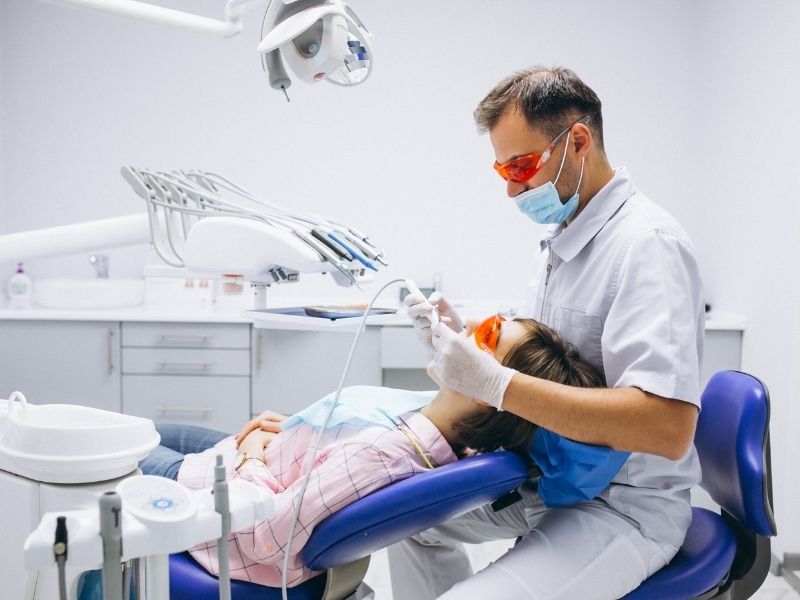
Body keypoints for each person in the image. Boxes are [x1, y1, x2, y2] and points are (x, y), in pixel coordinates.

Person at [394, 66, 705, 599]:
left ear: (578, 141)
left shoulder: (646, 246)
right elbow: (546, 363)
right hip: (557, 480)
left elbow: (667, 428)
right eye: (502, 171)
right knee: (406, 522)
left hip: (624, 504)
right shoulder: (563, 238)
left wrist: (496, 385)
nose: (513, 188)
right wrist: (462, 341)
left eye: (522, 165)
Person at [139, 317, 607, 589]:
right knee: (152, 429)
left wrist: (252, 454)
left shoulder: (386, 456)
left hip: (223, 503)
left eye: (485, 334)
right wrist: (307, 433)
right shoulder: (450, 433)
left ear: (488, 390)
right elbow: (342, 461)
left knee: (120, 445)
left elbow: (270, 539)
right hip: (268, 460)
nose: (464, 328)